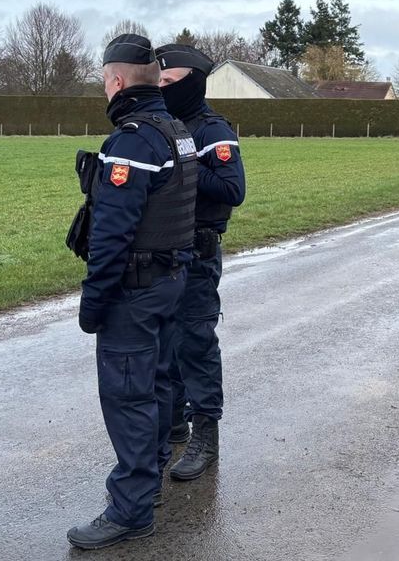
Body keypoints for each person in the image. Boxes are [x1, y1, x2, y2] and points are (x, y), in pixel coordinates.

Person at [66, 34, 198, 550]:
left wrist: (93, 300)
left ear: (117, 81)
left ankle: (131, 508)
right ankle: (151, 478)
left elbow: (112, 235)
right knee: (158, 386)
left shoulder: (132, 141)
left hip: (135, 290)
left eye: (104, 81)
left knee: (128, 396)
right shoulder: (175, 131)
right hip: (169, 281)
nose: (105, 89)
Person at [154, 44, 245, 481]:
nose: (161, 88)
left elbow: (232, 190)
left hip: (198, 252)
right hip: (164, 251)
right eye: (158, 81)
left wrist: (185, 163)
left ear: (193, 82)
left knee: (195, 343)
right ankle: (174, 423)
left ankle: (205, 436)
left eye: (169, 82)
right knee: (164, 342)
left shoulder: (213, 129)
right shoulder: (163, 126)